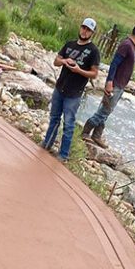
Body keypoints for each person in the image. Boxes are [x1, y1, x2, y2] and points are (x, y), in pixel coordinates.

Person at [41, 18, 101, 162]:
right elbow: (56, 61)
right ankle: (46, 144)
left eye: (88, 30)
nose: (85, 31)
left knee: (68, 123)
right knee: (54, 118)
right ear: (80, 28)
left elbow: (94, 73)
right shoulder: (69, 44)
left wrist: (79, 70)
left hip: (74, 93)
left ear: (92, 33)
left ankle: (64, 154)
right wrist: (64, 61)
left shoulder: (93, 51)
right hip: (59, 87)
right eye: (83, 28)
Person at [81, 23, 135, 147]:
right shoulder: (126, 45)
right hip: (115, 83)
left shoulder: (132, 46)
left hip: (121, 84)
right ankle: (85, 132)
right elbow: (114, 64)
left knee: (107, 111)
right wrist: (109, 82)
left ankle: (97, 135)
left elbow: (130, 62)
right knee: (104, 110)